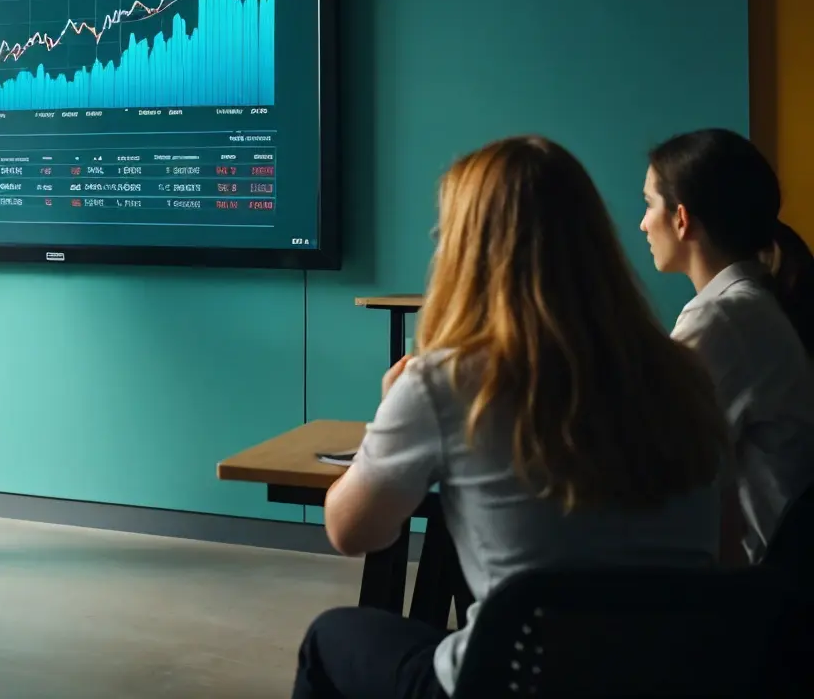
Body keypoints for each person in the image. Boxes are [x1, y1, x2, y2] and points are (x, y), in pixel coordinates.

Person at [294, 136, 725, 699]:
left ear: (466, 249)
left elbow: (351, 531)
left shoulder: (444, 381)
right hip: (673, 678)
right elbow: (725, 547)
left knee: (332, 637)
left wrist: (388, 414)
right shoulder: (685, 373)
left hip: (514, 683)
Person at [643, 128, 814, 562]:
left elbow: (649, 455)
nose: (644, 223)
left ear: (681, 219)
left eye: (649, 204)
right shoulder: (748, 305)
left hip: (748, 588)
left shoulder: (722, 318)